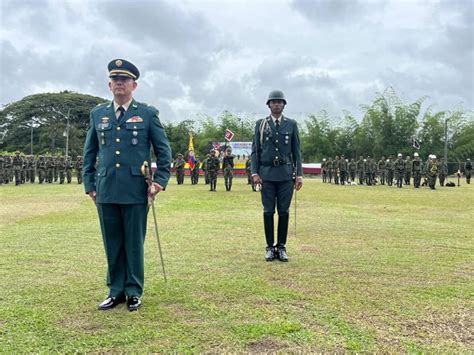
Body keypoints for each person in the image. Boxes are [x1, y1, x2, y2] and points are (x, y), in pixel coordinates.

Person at [82, 59, 172, 312]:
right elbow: (89, 153)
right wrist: (89, 183)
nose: (119, 83)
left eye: (124, 80)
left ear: (135, 85)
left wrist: (160, 182)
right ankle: (115, 291)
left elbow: (164, 152)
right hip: (106, 188)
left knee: (133, 242)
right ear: (109, 85)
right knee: (112, 242)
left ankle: (133, 290)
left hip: (135, 189)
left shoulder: (147, 114)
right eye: (115, 80)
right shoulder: (98, 114)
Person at [251, 90, 303, 262]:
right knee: (267, 212)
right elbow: (255, 152)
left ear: (284, 105)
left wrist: (299, 175)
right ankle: (269, 247)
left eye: (280, 102)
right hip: (266, 175)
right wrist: (255, 173)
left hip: (286, 175)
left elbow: (297, 152)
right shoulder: (261, 124)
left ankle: (281, 247)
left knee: (283, 212)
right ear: (268, 105)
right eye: (273, 102)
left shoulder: (291, 124)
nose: (277, 104)